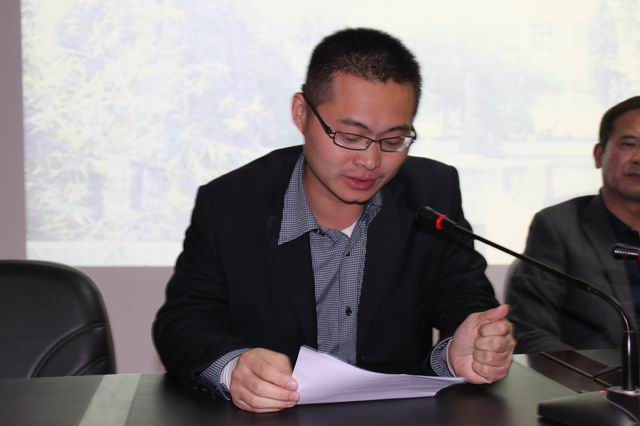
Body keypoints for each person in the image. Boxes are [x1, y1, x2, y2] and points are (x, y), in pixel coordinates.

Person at [153, 28, 515, 413]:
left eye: (393, 140)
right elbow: (184, 322)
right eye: (350, 136)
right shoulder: (231, 203)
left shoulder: (433, 192)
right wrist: (234, 368)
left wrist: (462, 351)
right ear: (301, 113)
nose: (370, 161)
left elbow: (465, 300)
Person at [506, 96, 640, 354]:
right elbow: (530, 332)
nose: (638, 158)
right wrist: (600, 376)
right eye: (628, 144)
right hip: (591, 377)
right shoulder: (558, 227)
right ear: (599, 155)